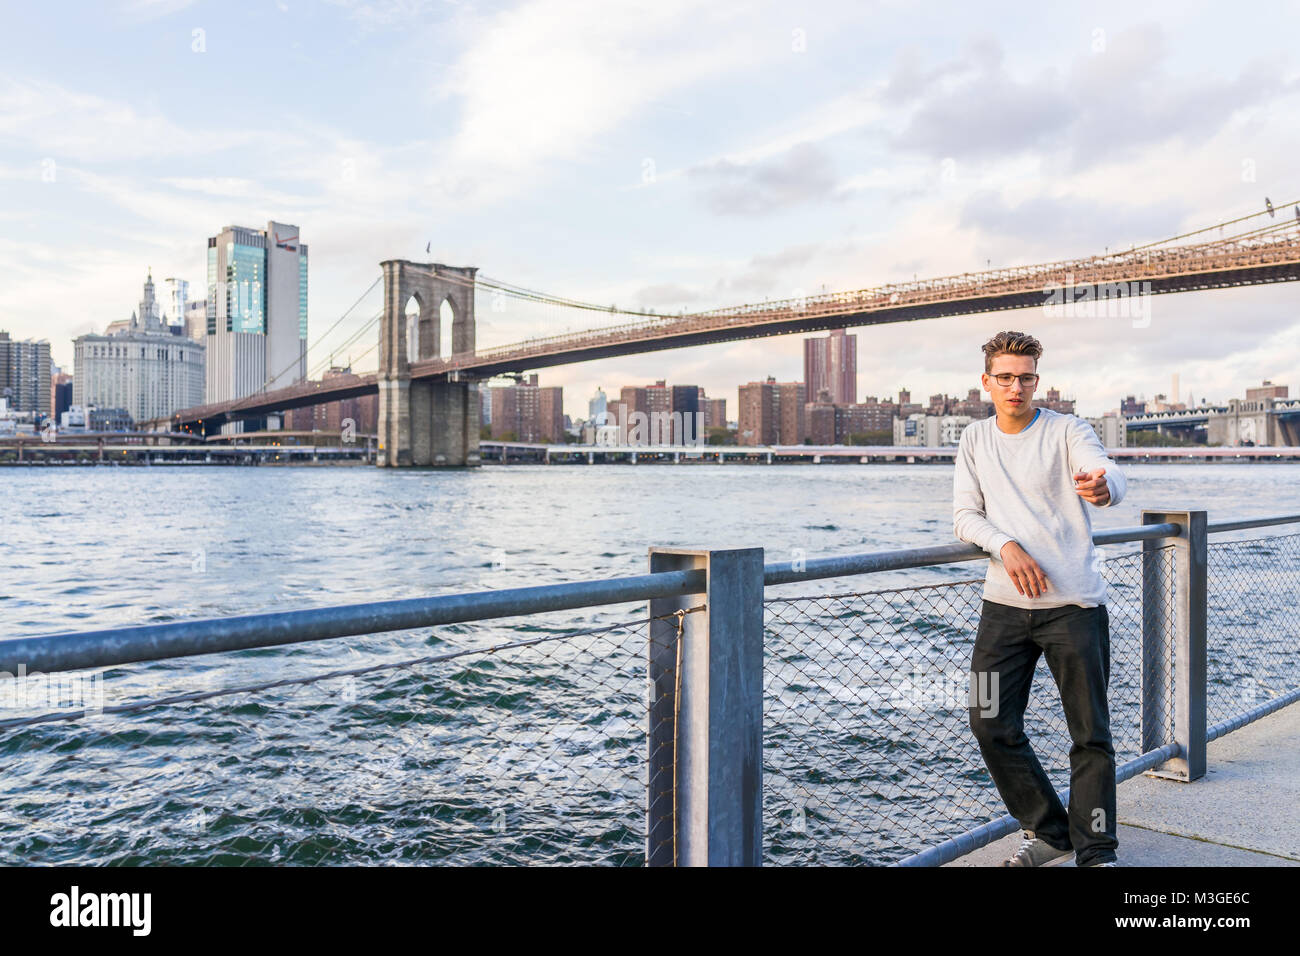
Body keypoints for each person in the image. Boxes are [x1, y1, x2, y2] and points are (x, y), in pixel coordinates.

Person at [952, 330, 1126, 867]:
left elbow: (1106, 471)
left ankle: (1096, 849)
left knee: (1089, 734)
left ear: (1036, 380)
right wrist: (1006, 546)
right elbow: (965, 517)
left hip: (1074, 607)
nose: (1016, 387)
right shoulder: (974, 440)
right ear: (986, 382)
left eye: (1025, 377)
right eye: (1004, 377)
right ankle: (1049, 830)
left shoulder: (1068, 429)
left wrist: (1104, 486)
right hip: (1002, 609)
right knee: (987, 717)